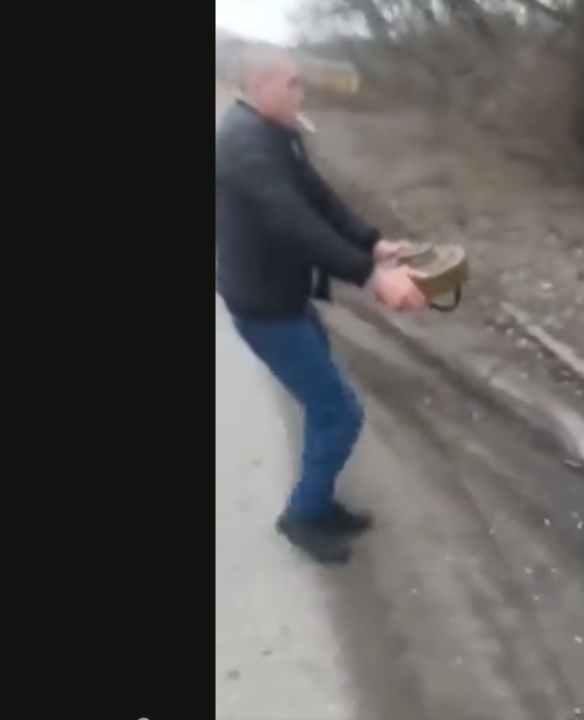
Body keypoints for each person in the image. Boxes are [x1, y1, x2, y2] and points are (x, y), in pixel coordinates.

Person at [216, 46, 427, 565]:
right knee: (339, 412)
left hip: (284, 296)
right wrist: (371, 276)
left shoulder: (273, 134)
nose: (300, 91)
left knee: (325, 404)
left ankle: (319, 500)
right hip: (266, 308)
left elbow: (318, 196)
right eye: (291, 84)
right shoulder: (245, 147)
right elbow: (294, 222)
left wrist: (371, 243)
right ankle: (302, 516)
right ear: (260, 85)